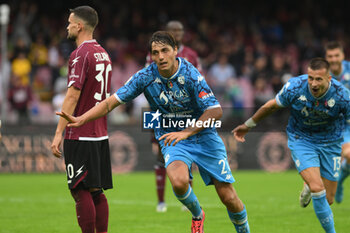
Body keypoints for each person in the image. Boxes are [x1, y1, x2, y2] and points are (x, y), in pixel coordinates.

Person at [57, 31, 250, 233]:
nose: (160, 57)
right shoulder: (146, 76)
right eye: (155, 52)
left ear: (175, 50)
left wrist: (187, 132)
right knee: (179, 182)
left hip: (203, 136)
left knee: (228, 197)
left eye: (165, 51)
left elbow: (215, 110)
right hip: (172, 137)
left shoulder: (190, 73)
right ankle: (197, 214)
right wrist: (81, 118)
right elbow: (110, 103)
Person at [233, 58, 350, 233]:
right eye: (311, 78)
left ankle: (308, 185)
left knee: (329, 199)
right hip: (301, 139)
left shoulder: (342, 95)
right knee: (319, 189)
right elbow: (272, 106)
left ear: (329, 79)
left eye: (319, 79)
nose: (313, 83)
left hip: (330, 142)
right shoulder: (295, 87)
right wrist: (248, 125)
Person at [51, 6, 112, 233]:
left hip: (80, 132)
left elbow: (73, 95)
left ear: (79, 26)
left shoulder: (79, 55)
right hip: (100, 132)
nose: (67, 26)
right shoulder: (103, 53)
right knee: (95, 189)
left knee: (78, 189)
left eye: (69, 23)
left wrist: (59, 133)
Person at [146, 20, 202, 212]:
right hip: (161, 113)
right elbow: (148, 84)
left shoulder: (192, 56)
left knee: (190, 154)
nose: (177, 33)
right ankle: (161, 201)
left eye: (180, 30)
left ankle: (188, 200)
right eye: (173, 30)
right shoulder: (154, 55)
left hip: (187, 113)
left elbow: (199, 82)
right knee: (161, 154)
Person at [324, 41, 350, 203]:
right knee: (348, 154)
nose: (333, 59)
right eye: (330, 56)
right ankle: (339, 181)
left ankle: (340, 179)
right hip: (336, 125)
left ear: (342, 56)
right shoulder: (321, 75)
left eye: (336, 55)